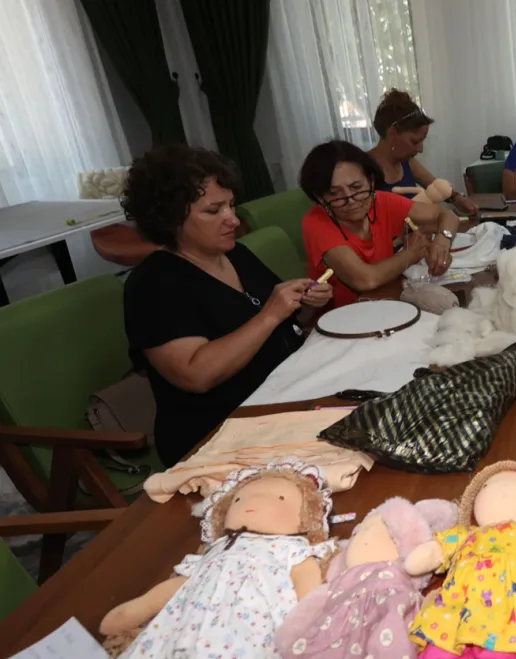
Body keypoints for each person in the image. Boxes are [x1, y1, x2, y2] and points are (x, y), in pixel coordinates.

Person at [121, 146, 331, 466]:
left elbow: (284, 322)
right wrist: (271, 313)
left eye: (231, 205)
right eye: (213, 210)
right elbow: (195, 375)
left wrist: (304, 304)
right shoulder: (153, 285)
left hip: (285, 398)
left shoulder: (236, 254)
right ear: (171, 219)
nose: (232, 219)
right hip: (220, 435)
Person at [299, 141, 457, 309]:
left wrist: (442, 242)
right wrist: (410, 254)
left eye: (356, 187)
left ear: (371, 181)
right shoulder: (316, 223)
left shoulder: (380, 201)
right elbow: (366, 279)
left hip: (388, 300)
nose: (350, 200)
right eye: (334, 193)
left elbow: (447, 215)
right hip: (346, 314)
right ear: (320, 197)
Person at [367, 88, 479, 216]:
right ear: (392, 133)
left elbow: (436, 186)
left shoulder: (407, 162)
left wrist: (457, 198)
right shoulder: (362, 169)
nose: (420, 149)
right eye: (415, 142)